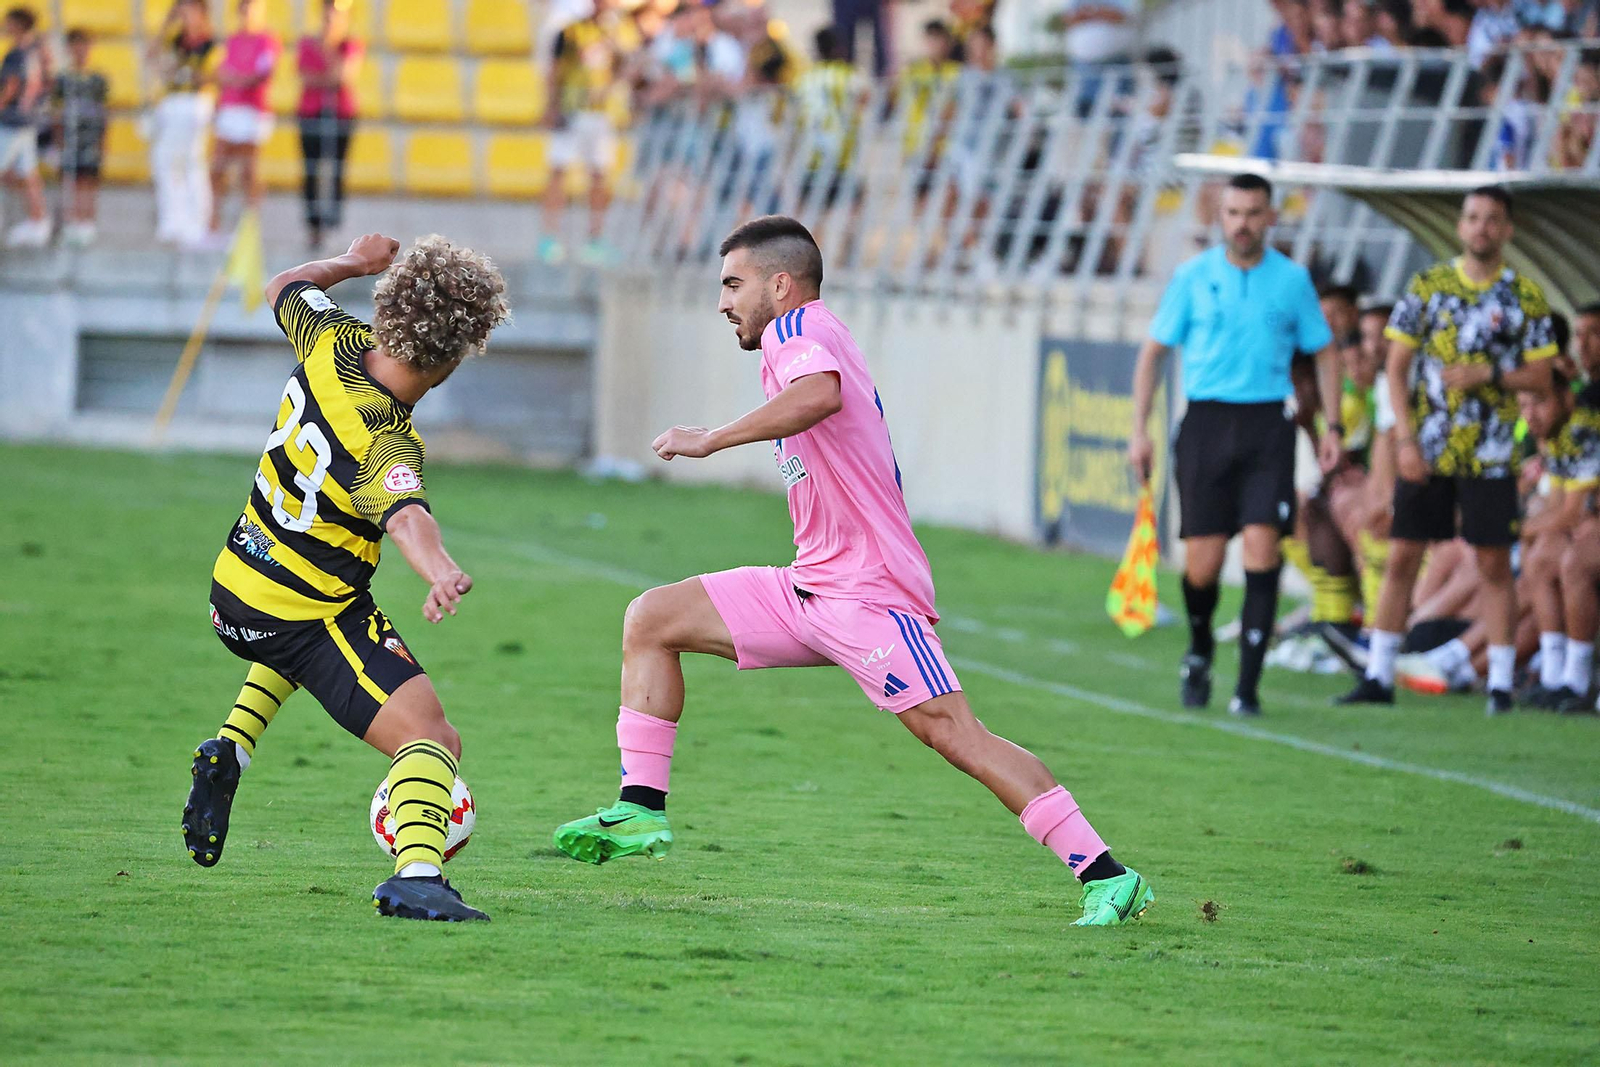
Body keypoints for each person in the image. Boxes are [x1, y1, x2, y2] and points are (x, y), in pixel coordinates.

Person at [550, 216, 1154, 927]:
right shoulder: (794, 337)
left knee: (956, 733)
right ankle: (640, 811)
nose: (723, 302)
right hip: (810, 588)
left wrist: (711, 438)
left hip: (869, 593)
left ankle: (1109, 876)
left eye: (733, 284)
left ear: (780, 285)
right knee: (653, 617)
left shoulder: (796, 329)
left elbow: (822, 394)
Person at [183, 232, 509, 921]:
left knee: (330, 616)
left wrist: (354, 263)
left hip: (235, 583)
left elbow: (284, 283)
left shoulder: (330, 339)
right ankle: (417, 873)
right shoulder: (386, 437)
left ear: (387, 309)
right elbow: (405, 513)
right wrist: (440, 568)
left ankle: (231, 750)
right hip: (301, 614)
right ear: (453, 357)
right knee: (432, 737)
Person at [1338, 186, 1558, 715]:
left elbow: (1545, 377)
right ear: (1461, 226)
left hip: (1494, 453)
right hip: (1429, 449)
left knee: (1491, 565)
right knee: (1402, 557)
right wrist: (1407, 440)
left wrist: (1492, 374)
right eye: (1473, 217)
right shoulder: (1429, 286)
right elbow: (1395, 368)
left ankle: (1501, 684)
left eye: (1492, 220)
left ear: (1507, 230)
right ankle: (1377, 674)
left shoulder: (1524, 295)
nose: (1481, 227)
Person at [1130, 173, 1343, 717]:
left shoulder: (1292, 281)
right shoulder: (1193, 277)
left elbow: (1325, 350)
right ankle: (1200, 647)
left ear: (1271, 217)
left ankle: (1247, 689)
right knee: (1201, 565)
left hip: (1267, 426)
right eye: (1233, 213)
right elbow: (1153, 354)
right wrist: (1139, 430)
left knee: (1262, 548)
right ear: (1219, 217)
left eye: (1253, 212)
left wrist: (1333, 426)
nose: (1243, 223)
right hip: (1205, 424)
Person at [541, 0, 639, 266]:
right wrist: (551, 105)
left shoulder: (620, 33)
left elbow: (629, 66)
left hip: (601, 113)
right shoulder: (572, 31)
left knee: (599, 174)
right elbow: (555, 69)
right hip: (571, 110)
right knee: (559, 170)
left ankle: (595, 238)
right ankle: (550, 236)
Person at [208, 0, 279, 245]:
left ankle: (249, 225)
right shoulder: (232, 40)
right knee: (217, 168)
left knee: (248, 171)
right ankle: (213, 222)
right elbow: (220, 72)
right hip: (231, 108)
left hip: (252, 110)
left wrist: (239, 80)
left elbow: (264, 72)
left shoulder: (266, 41)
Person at [147, 0, 217, 247]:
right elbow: (151, 56)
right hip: (172, 103)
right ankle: (173, 222)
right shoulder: (175, 40)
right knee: (165, 162)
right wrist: (167, 24)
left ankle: (197, 224)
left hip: (195, 103)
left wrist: (185, 72)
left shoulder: (210, 42)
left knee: (192, 163)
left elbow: (213, 75)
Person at [297, 0, 362, 251]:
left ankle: (334, 223)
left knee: (336, 169)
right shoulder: (307, 43)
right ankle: (313, 226)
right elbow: (305, 76)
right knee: (311, 169)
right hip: (311, 111)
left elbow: (343, 76)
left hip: (340, 113)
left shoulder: (348, 45)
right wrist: (328, 77)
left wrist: (326, 49)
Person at [51, 27, 108, 247]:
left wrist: (104, 140)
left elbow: (105, 111)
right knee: (70, 179)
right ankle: (72, 221)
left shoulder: (98, 79)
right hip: (70, 136)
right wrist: (58, 139)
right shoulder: (63, 79)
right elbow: (56, 111)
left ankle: (88, 223)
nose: (81, 51)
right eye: (76, 46)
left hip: (91, 137)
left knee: (89, 180)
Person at [0, 5, 48, 248]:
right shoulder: (37, 50)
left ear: (18, 25)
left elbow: (11, 86)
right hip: (29, 118)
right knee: (28, 172)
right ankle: (38, 221)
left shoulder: (17, 53)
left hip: (12, 120)